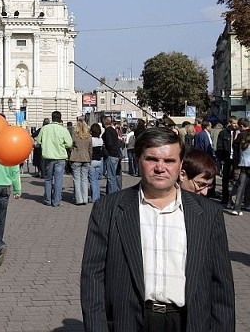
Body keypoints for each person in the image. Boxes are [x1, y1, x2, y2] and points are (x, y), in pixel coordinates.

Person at [81, 127, 235, 331]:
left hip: (189, 321)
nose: (160, 168)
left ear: (181, 166)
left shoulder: (208, 213)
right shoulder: (108, 208)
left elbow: (221, 285)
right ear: (138, 160)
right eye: (152, 159)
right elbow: (92, 278)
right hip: (129, 321)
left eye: (169, 161)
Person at [36, 111, 73, 207]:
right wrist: (62, 145)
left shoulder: (45, 128)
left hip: (48, 157)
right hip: (60, 157)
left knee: (48, 179)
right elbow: (69, 144)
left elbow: (38, 141)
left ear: (52, 118)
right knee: (58, 180)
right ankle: (57, 201)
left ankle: (48, 199)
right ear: (60, 118)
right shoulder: (63, 130)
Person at [69, 119, 92, 205]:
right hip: (86, 158)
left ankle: (79, 199)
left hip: (76, 158)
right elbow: (90, 149)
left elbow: (70, 146)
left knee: (77, 179)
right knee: (84, 179)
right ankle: (85, 198)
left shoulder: (74, 136)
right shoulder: (89, 136)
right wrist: (90, 158)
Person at [217, 117, 238, 207]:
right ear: (230, 123)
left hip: (236, 159)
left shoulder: (238, 132)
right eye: (233, 123)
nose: (235, 125)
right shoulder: (223, 133)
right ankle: (225, 198)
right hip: (227, 158)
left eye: (236, 123)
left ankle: (233, 199)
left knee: (235, 179)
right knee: (225, 179)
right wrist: (221, 159)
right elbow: (220, 146)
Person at [88, 123, 105, 203]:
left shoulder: (91, 140)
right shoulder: (100, 140)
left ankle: (94, 197)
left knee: (92, 180)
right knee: (97, 180)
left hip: (92, 161)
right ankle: (97, 196)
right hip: (99, 161)